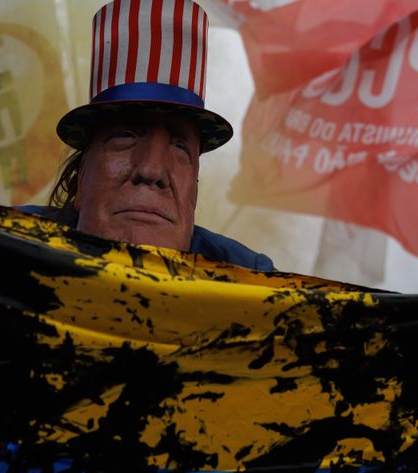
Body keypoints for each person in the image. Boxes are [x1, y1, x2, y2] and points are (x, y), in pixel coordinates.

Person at [22, 0, 274, 272]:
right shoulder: (1, 247)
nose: (152, 170)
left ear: (194, 194)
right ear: (81, 178)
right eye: (126, 136)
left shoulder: (249, 281)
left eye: (180, 148)